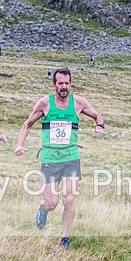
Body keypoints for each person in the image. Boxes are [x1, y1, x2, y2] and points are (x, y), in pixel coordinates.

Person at [14, 68, 105, 248]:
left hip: (71, 156)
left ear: (70, 84)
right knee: (51, 202)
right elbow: (27, 123)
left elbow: (97, 115)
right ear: (54, 84)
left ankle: (65, 239)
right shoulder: (44, 104)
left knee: (69, 199)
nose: (64, 87)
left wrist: (100, 126)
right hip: (50, 158)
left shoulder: (78, 102)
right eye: (60, 83)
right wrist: (19, 144)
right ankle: (43, 209)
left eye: (67, 83)